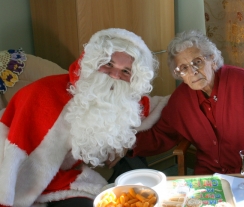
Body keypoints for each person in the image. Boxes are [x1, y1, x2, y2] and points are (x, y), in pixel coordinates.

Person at [0, 28, 158, 207]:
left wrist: (120, 146)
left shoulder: (123, 97)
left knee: (143, 181)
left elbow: (148, 107)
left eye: (126, 71)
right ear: (92, 62)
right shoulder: (43, 96)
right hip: (34, 174)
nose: (115, 76)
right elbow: (22, 167)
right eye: (108, 64)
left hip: (78, 167)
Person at [109, 29, 244, 176]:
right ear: (179, 75)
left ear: (213, 60)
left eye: (198, 62)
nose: (193, 72)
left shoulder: (242, 83)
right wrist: (126, 146)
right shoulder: (181, 99)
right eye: (184, 68)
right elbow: (162, 135)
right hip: (209, 176)